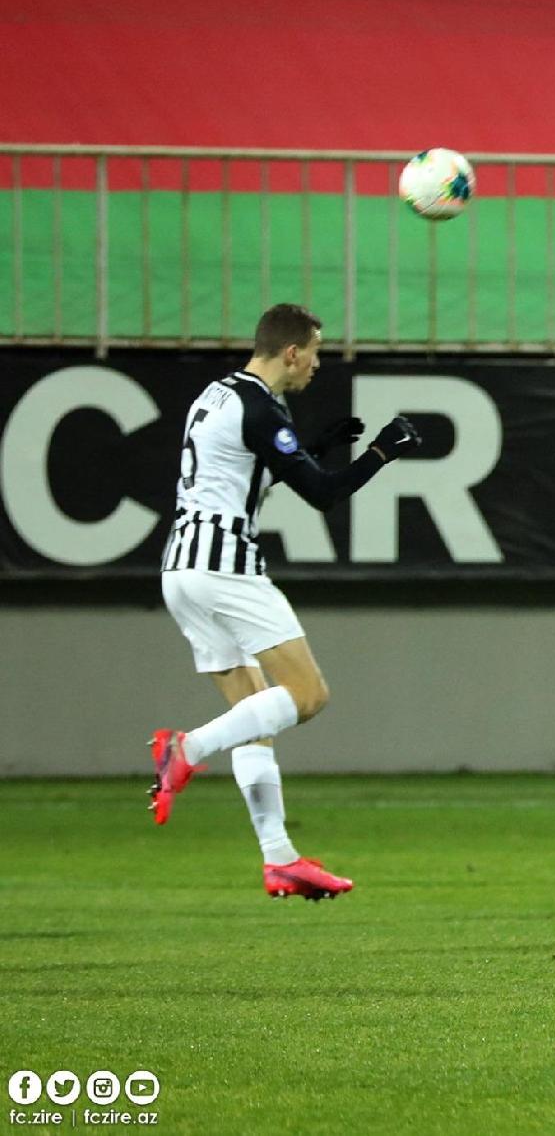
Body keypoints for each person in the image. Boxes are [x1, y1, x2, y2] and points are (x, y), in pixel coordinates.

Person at [149, 302, 422, 899]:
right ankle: (185, 749)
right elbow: (322, 495)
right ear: (292, 352)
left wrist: (315, 445)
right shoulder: (261, 408)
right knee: (307, 695)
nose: (318, 364)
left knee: (255, 722)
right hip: (226, 567)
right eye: (316, 352)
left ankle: (280, 860)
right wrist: (382, 452)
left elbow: (247, 473)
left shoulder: (216, 395)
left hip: (181, 570)